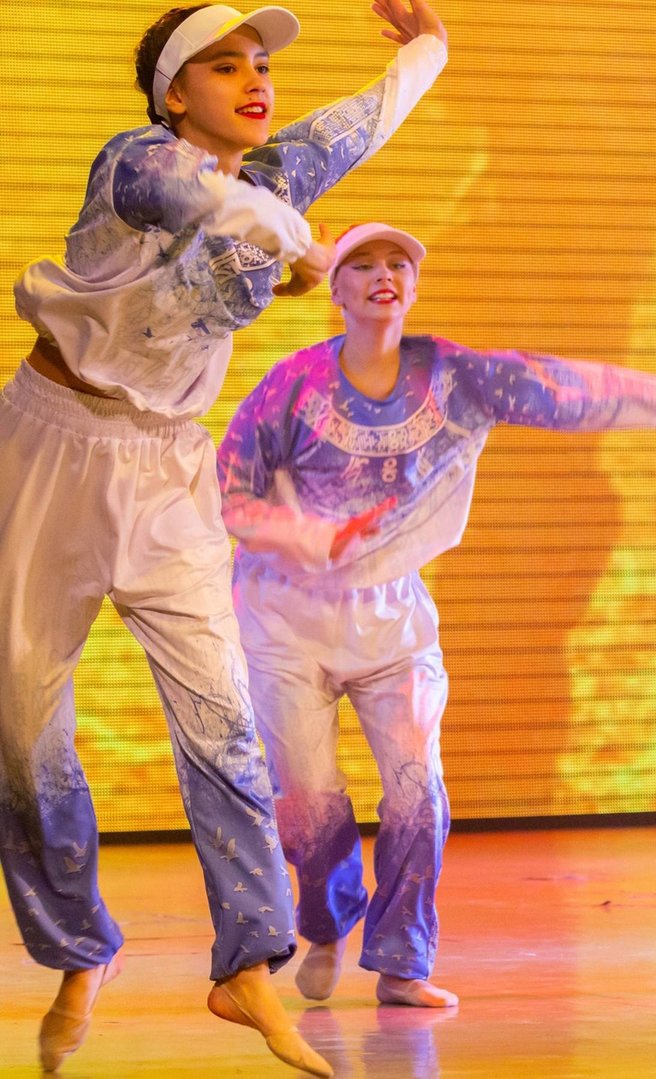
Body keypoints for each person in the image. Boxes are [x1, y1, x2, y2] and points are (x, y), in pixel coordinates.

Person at [3, 3, 448, 1072]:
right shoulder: (136, 162)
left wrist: (429, 49)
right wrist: (298, 244)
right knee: (20, 725)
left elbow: (359, 123)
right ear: (173, 93)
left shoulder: (278, 174)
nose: (255, 80)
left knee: (222, 720)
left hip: (167, 470)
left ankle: (247, 962)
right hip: (51, 451)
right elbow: (205, 201)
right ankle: (79, 944)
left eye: (261, 65)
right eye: (223, 65)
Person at [218, 222, 656, 1007]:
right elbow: (230, 495)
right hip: (285, 616)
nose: (384, 275)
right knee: (309, 802)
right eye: (363, 264)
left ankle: (402, 961)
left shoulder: (453, 376)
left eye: (398, 263)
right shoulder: (291, 386)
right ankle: (325, 924)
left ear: (414, 285)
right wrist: (317, 537)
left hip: (391, 617)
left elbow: (559, 387)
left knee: (417, 792)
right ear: (336, 290)